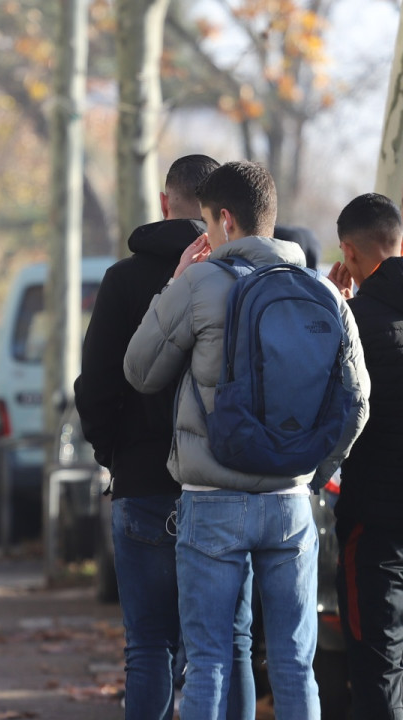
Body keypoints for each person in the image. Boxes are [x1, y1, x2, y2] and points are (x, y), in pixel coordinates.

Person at [123, 160, 369, 720]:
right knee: (293, 664)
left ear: (225, 221)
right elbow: (357, 405)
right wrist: (307, 466)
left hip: (213, 503)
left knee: (208, 660)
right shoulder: (322, 294)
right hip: (290, 504)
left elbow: (140, 371)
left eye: (207, 223)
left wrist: (176, 282)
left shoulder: (202, 284)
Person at [74, 154, 262, 720]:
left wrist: (116, 456)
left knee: (148, 644)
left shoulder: (123, 279)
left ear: (164, 202)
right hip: (226, 486)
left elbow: (96, 386)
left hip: (143, 482)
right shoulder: (244, 280)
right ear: (221, 211)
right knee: (231, 645)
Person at [327, 192, 403, 720]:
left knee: (377, 672)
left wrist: (334, 307)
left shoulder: (352, 323)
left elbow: (325, 409)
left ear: (348, 252)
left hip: (376, 530)